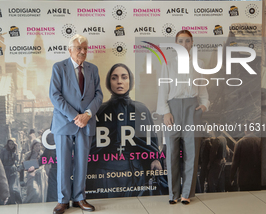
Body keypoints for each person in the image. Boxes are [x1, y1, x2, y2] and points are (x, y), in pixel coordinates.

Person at [87, 63, 166, 198]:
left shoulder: (141, 109)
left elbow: (150, 140)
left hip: (135, 171)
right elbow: (91, 143)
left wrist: (155, 159)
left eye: (124, 77)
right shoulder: (100, 110)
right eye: (114, 77)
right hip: (105, 172)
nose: (119, 82)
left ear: (130, 81)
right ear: (108, 82)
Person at [49, 34, 103, 214]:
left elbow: (98, 95)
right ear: (70, 50)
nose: (83, 51)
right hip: (64, 123)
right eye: (79, 48)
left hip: (85, 123)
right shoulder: (59, 67)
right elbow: (55, 96)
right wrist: (75, 116)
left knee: (82, 163)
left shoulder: (93, 69)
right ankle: (63, 200)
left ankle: (80, 198)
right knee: (63, 162)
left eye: (85, 48)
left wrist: (87, 115)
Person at [156, 30, 209, 205]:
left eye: (187, 41)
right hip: (172, 109)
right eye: (181, 41)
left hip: (192, 109)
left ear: (192, 43)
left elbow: (203, 91)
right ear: (175, 44)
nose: (184, 44)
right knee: (171, 152)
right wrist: (165, 112)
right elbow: (163, 90)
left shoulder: (199, 64)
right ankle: (173, 194)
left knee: (191, 153)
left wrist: (204, 106)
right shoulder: (168, 64)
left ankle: (186, 193)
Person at [0, 138, 22, 204]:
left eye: (12, 144)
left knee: (12, 188)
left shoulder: (16, 152)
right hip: (5, 170)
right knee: (3, 187)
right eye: (10, 144)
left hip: (13, 171)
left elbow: (18, 160)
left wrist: (16, 149)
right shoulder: (3, 151)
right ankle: (1, 201)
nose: (11, 146)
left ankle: (12, 201)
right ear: (8, 144)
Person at [23, 138, 48, 203]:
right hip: (31, 175)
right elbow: (24, 165)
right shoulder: (28, 154)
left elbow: (45, 164)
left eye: (39, 145)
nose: (38, 147)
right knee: (34, 191)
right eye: (36, 146)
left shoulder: (43, 154)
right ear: (33, 146)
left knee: (40, 193)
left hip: (41, 174)